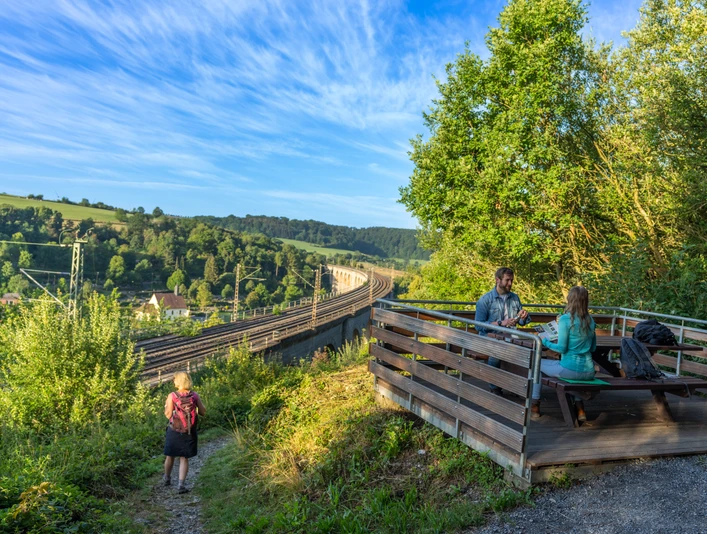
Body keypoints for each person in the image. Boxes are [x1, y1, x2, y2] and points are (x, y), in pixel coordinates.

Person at [531, 286, 596, 421]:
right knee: (571, 376)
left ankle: (534, 406)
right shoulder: (591, 320)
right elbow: (593, 347)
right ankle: (580, 409)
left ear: (570, 300)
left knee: (536, 364)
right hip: (589, 371)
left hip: (569, 369)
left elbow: (561, 349)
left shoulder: (566, 319)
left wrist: (544, 341)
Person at [476, 267, 531, 395]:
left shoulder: (515, 298)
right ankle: (495, 387)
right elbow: (478, 326)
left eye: (511, 280)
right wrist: (501, 323)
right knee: (498, 351)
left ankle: (520, 388)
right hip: (490, 337)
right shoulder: (485, 300)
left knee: (528, 353)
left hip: (511, 336)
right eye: (507, 280)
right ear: (497, 280)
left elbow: (522, 322)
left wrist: (523, 316)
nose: (510, 284)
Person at [163, 371, 206, 493]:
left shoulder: (172, 396)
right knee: (184, 458)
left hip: (174, 430)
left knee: (170, 455)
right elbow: (203, 412)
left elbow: (168, 414)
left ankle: (167, 478)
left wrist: (167, 407)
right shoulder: (194, 396)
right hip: (189, 431)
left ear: (178, 381)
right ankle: (181, 485)